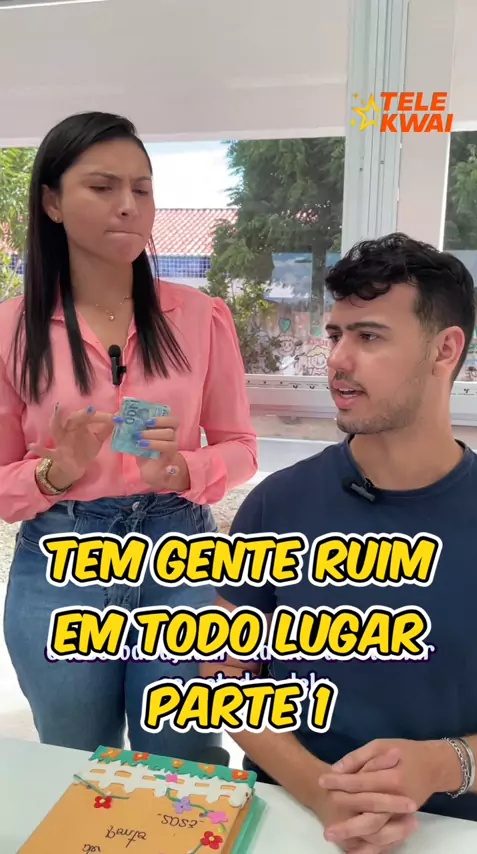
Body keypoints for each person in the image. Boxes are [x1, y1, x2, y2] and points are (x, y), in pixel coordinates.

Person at [201, 233, 477, 852]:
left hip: (452, 831)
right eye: (335, 336)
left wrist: (443, 764)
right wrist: (322, 791)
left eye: (369, 337)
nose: (337, 360)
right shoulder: (277, 505)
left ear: (445, 349)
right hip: (293, 815)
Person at [1, 111, 257, 761]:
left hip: (181, 557)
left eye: (141, 189)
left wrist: (186, 470)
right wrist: (54, 471)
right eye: (102, 186)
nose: (128, 205)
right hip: (61, 565)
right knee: (75, 761)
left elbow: (240, 444)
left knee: (182, 762)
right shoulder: (11, 329)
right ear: (52, 202)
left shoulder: (199, 316)